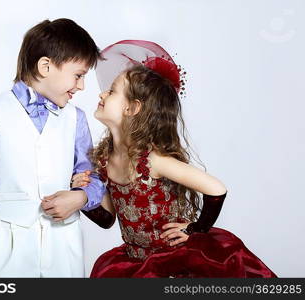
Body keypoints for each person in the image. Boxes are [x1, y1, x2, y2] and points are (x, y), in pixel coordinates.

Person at [71, 40, 277, 277]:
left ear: (132, 108)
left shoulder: (154, 160)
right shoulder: (106, 160)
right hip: (135, 262)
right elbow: (107, 219)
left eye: (112, 91)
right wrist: (85, 195)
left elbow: (216, 189)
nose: (101, 93)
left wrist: (195, 230)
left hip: (173, 261)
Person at [0, 18, 106, 277]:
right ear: (45, 66)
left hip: (64, 247)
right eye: (78, 75)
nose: (81, 86)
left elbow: (94, 177)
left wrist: (81, 196)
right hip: (8, 250)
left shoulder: (76, 118)